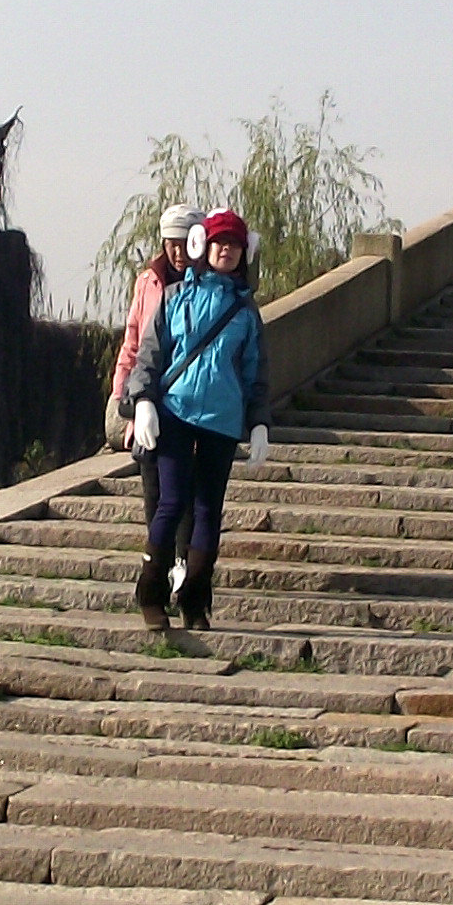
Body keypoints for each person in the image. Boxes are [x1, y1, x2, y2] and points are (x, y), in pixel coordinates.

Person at [123, 207, 266, 632]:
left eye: (236, 245)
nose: (227, 250)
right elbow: (147, 355)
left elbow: (256, 372)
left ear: (245, 253)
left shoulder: (245, 312)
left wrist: (259, 422)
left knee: (208, 511)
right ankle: (151, 594)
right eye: (220, 242)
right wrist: (143, 400)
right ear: (203, 245)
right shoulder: (173, 297)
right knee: (170, 503)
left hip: (222, 420)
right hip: (176, 412)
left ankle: (195, 599)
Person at [103, 203, 195, 446]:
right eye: (172, 245)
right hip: (149, 392)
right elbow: (133, 343)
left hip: (188, 398)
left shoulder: (208, 287)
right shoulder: (148, 282)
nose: (178, 253)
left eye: (185, 245)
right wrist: (120, 393)